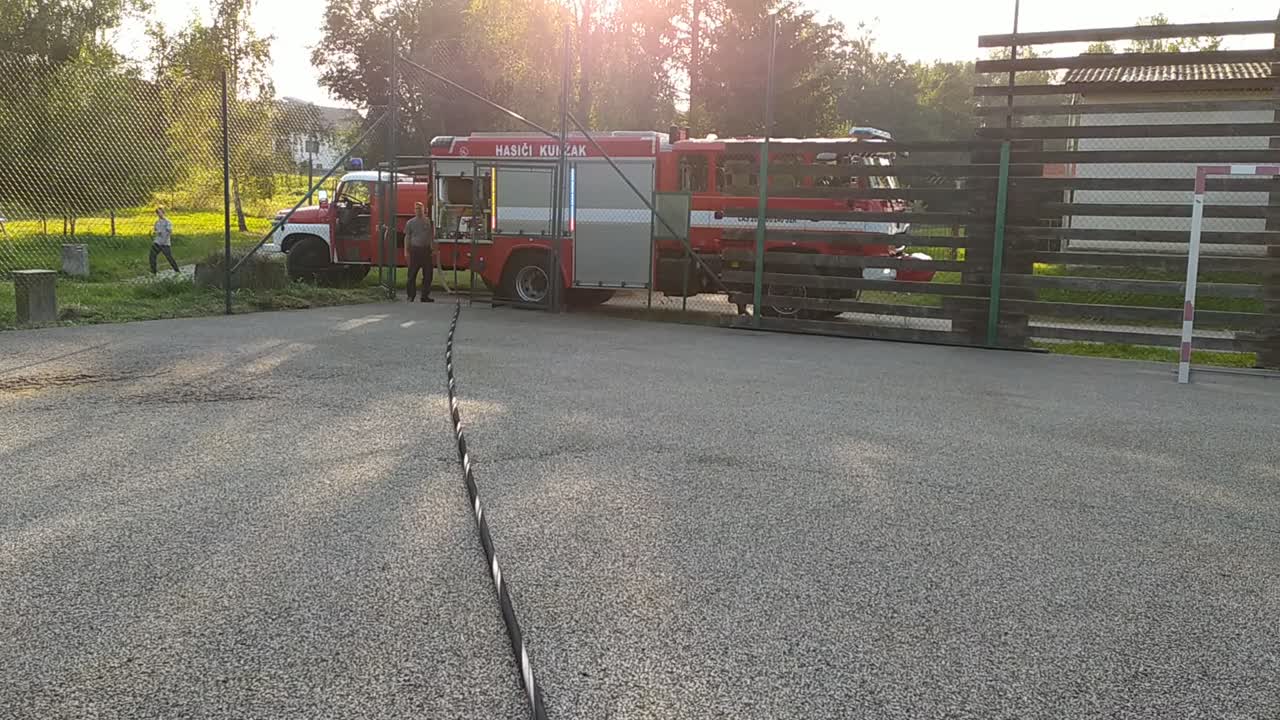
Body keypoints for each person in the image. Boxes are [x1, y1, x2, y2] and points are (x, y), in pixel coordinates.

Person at [405, 201, 435, 303]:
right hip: (415, 250)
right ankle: (410, 296)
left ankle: (425, 296)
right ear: (414, 210)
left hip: (426, 251)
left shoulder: (429, 222)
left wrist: (433, 248)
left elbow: (432, 236)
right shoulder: (410, 223)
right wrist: (406, 251)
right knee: (412, 274)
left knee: (428, 274)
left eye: (420, 208)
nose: (418, 210)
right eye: (416, 209)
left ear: (424, 210)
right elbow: (407, 237)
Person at [149, 207, 180, 275]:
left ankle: (177, 270)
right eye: (158, 213)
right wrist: (154, 233)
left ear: (163, 213)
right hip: (157, 242)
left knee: (169, 257)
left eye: (160, 212)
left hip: (165, 243)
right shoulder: (157, 222)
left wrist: (165, 239)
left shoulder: (167, 222)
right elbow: (156, 230)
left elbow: (169, 232)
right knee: (152, 256)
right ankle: (153, 271)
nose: (159, 214)